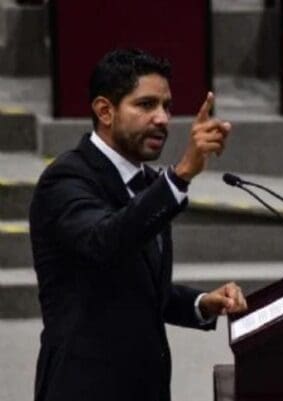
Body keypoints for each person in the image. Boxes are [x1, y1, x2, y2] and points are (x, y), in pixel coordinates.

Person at [29, 49, 248, 401]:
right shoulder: (66, 179)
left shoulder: (147, 182)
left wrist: (202, 303)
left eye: (166, 105)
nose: (162, 118)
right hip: (85, 387)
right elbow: (106, 241)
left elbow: (139, 286)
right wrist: (180, 176)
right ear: (105, 111)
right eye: (146, 105)